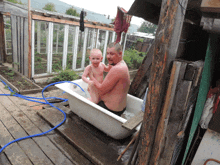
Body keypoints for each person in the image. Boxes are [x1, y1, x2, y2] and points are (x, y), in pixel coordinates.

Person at [89, 42, 130, 116]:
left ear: (120, 54)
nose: (108, 56)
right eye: (107, 53)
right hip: (121, 108)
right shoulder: (122, 64)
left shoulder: (117, 69)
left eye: (112, 54)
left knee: (91, 93)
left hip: (110, 109)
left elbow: (101, 89)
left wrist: (91, 77)